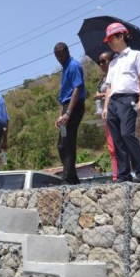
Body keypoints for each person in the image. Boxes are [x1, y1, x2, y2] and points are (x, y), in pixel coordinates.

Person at [101, 22, 140, 183]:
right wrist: (105, 106)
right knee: (117, 140)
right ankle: (123, 175)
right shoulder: (113, 63)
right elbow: (109, 86)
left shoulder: (136, 55)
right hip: (113, 102)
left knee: (127, 134)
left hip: (128, 98)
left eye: (111, 38)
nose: (109, 42)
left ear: (120, 36)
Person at [53, 42, 86, 185]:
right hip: (66, 107)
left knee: (67, 142)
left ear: (67, 51)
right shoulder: (65, 68)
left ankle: (68, 178)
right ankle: (72, 177)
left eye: (61, 54)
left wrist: (68, 113)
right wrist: (62, 114)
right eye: (57, 56)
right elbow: (65, 96)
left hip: (74, 106)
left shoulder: (73, 66)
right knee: (63, 143)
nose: (60, 58)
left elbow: (76, 89)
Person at [94, 51, 118, 181]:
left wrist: (101, 96)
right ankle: (115, 175)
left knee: (117, 144)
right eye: (99, 62)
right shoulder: (103, 78)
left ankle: (119, 174)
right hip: (106, 112)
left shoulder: (116, 74)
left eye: (104, 61)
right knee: (111, 146)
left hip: (115, 111)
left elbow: (117, 91)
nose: (101, 64)